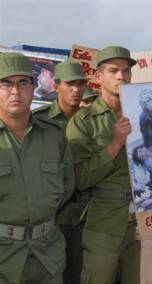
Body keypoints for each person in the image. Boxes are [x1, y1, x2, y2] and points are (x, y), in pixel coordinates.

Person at [66, 46, 140, 283]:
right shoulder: (83, 122)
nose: (121, 76)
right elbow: (79, 178)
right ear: (98, 77)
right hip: (103, 224)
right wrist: (116, 144)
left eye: (126, 71)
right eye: (113, 71)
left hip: (143, 222)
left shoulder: (143, 113)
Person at [0, 52, 75, 283]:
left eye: (23, 83)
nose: (15, 91)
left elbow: (67, 186)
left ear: (34, 88)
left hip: (48, 256)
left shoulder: (53, 135)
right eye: (6, 84)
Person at [33, 62, 87, 284]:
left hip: (86, 214)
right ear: (56, 87)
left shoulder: (92, 120)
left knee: (80, 275)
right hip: (52, 215)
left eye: (80, 84)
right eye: (70, 84)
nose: (76, 89)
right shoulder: (39, 121)